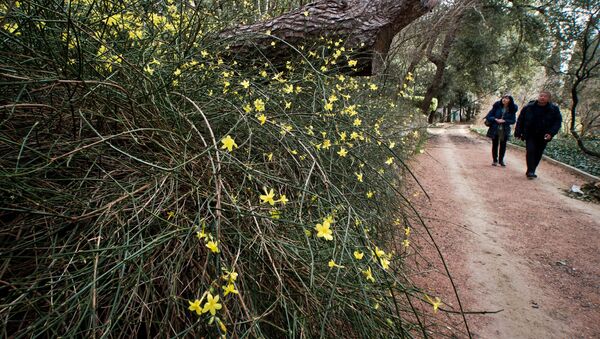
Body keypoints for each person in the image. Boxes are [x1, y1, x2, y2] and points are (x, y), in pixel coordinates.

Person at [514, 90, 562, 179]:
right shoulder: (528, 107)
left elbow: (557, 123)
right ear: (538, 97)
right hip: (530, 134)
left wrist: (551, 133)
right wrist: (518, 132)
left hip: (544, 135)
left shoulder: (554, 109)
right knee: (530, 150)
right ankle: (530, 171)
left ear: (548, 98)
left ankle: (532, 169)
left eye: (545, 96)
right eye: (541, 96)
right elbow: (521, 120)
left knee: (538, 153)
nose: (542, 97)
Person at [485, 95, 518, 166]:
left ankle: (501, 161)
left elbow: (513, 121)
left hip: (504, 129)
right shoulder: (497, 106)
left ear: (510, 100)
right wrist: (495, 119)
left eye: (506, 98)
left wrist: (504, 121)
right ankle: (494, 160)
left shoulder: (512, 109)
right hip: (495, 128)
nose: (504, 99)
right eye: (503, 98)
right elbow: (488, 116)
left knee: (503, 145)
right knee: (495, 144)